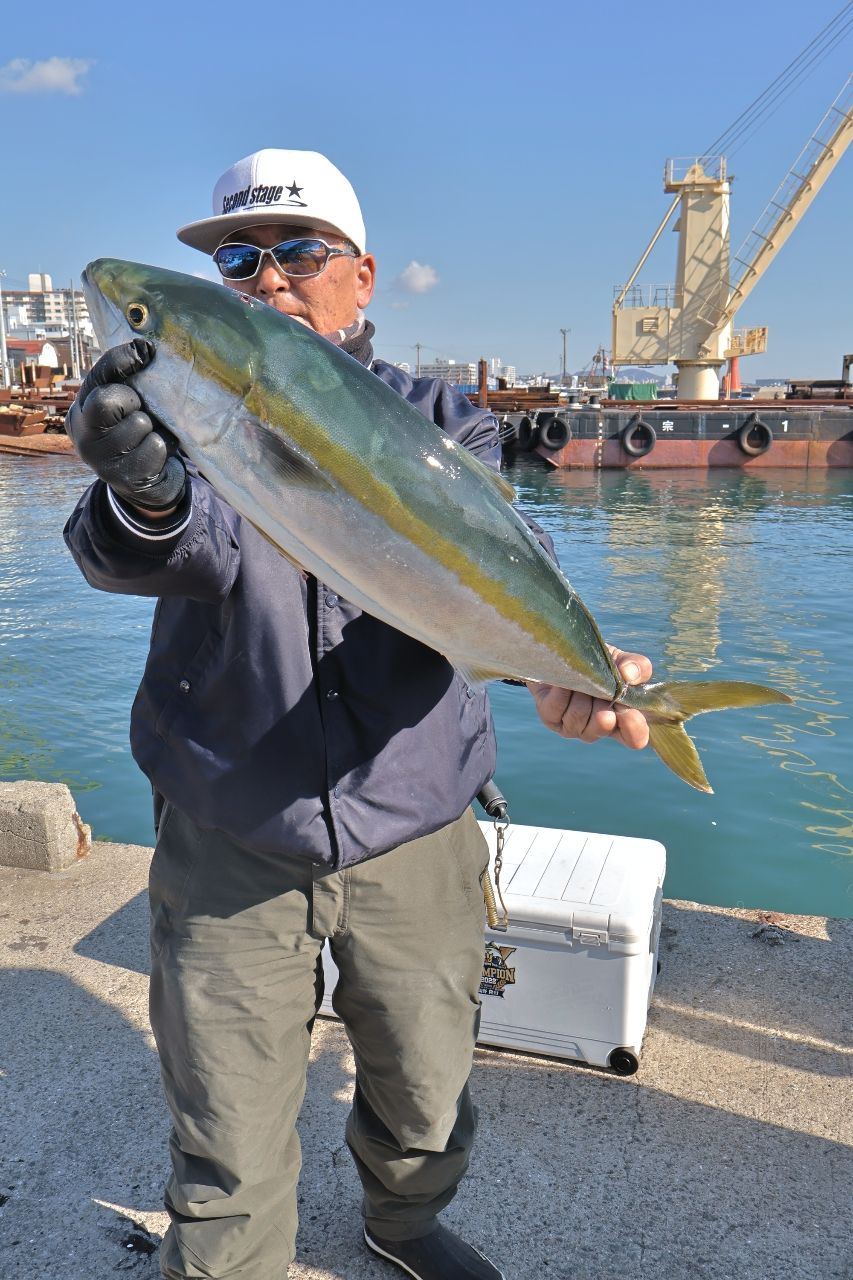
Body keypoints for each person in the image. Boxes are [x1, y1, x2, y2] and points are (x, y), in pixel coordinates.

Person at [64, 149, 652, 1280]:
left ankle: (403, 1220)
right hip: (231, 819)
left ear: (363, 276)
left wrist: (564, 664)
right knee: (225, 1115)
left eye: (298, 251)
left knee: (426, 1081)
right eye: (240, 257)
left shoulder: (445, 420)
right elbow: (157, 545)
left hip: (416, 813)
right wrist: (144, 489)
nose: (268, 277)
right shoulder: (185, 417)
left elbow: (492, 568)